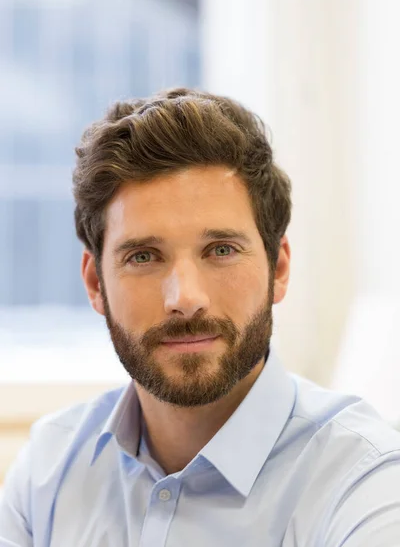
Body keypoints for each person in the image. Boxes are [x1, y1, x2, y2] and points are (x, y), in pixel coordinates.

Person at [1, 88, 399, 547]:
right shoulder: (47, 471)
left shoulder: (366, 485)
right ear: (95, 284)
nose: (185, 299)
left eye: (222, 250)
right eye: (144, 256)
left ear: (279, 269)